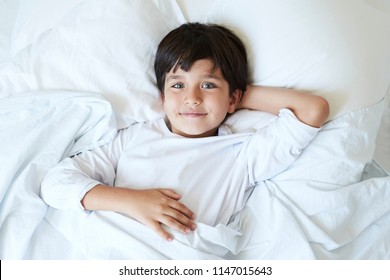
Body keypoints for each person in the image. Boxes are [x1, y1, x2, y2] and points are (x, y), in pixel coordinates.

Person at [41, 22, 329, 242]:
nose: (192, 98)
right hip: (110, 247)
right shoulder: (133, 138)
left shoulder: (243, 153)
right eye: (178, 85)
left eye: (208, 85)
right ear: (163, 98)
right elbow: (55, 184)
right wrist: (130, 200)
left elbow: (313, 109)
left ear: (233, 99)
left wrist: (237, 96)